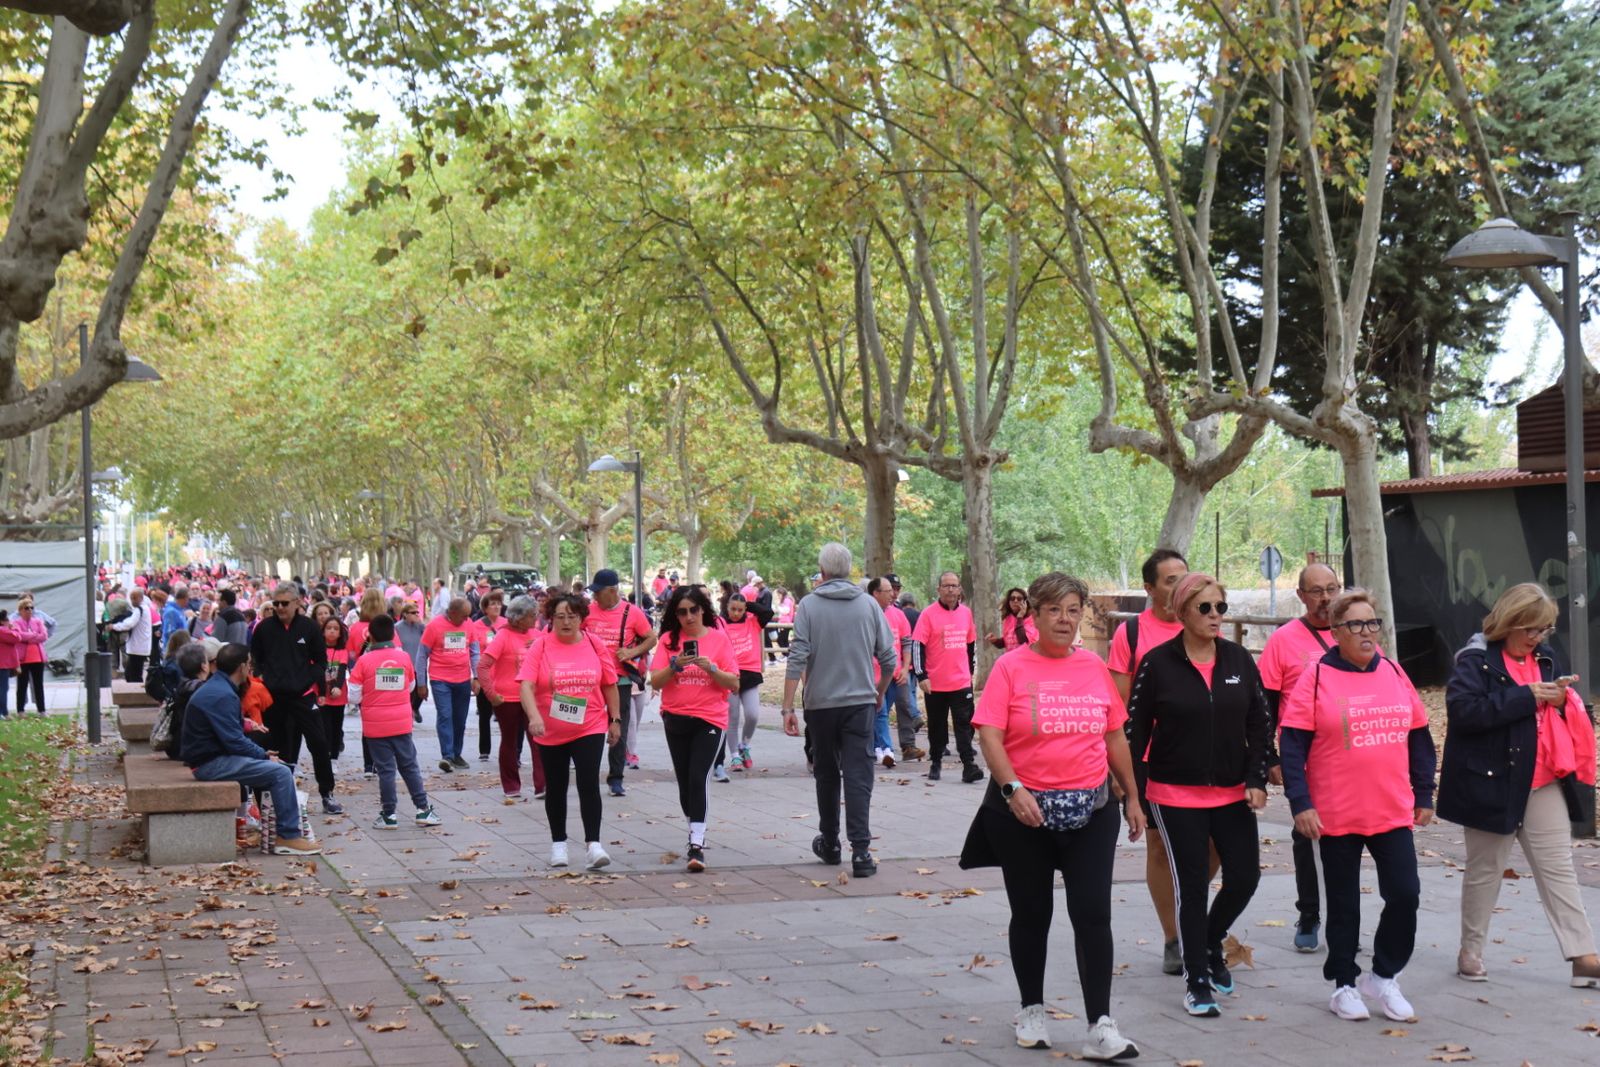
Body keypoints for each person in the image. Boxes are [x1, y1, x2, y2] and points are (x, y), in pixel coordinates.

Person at [960, 572, 1143, 1059]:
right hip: (1023, 815)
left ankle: (1101, 1025)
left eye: (1073, 609)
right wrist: (1012, 788)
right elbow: (990, 734)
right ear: (1035, 615)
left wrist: (1131, 795)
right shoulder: (1011, 668)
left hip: (1092, 809)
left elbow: (1113, 737)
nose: (1065, 619)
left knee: (1092, 913)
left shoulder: (1093, 668)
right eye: (1054, 610)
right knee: (1032, 912)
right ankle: (1031, 1009)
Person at [1279, 588, 1435, 1023]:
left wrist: (1424, 793)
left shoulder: (1394, 672)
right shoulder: (1315, 678)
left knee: (1406, 894)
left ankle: (1383, 976)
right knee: (1344, 905)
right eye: (1356, 625)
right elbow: (1292, 746)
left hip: (1390, 810)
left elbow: (1419, 737)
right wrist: (1300, 803)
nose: (1367, 632)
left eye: (1372, 623)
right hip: (1335, 814)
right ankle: (1344, 984)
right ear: (1336, 631)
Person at [1439, 581, 1600, 987]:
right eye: (1530, 629)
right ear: (1509, 622)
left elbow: (1557, 705)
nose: (1537, 638)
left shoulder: (1545, 656)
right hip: (1491, 781)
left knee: (1558, 867)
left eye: (1544, 630)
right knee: (1485, 869)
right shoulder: (1474, 659)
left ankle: (1582, 954)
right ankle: (1470, 951)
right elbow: (1464, 713)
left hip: (1543, 778)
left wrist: (1563, 700)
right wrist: (1525, 697)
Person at [1128, 571, 1270, 1018]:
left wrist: (1256, 779)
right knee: (1191, 887)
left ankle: (1209, 939)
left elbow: (1259, 724)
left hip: (1231, 794)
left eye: (1221, 608)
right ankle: (1197, 982)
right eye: (1205, 608)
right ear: (1182, 612)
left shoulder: (1239, 661)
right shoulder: (1157, 663)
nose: (1215, 616)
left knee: (1245, 877)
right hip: (1173, 795)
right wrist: (1132, 793)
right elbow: (1133, 733)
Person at [1109, 547, 1198, 976]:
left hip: (1206, 756)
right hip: (1150, 756)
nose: (1179, 585)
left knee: (1220, 846)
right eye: (1169, 580)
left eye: (1184, 576)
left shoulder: (1205, 621)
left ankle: (1195, 913)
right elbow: (1116, 708)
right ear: (1149, 588)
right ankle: (1174, 938)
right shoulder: (1130, 635)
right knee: (1160, 846)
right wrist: (1117, 770)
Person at [782, 543, 896, 877]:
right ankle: (861, 852)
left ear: (823, 570)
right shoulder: (868, 606)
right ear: (849, 570)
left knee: (827, 773)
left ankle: (830, 842)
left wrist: (789, 706)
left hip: (821, 704)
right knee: (860, 775)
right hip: (860, 702)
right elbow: (888, 659)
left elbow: (797, 656)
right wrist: (880, 692)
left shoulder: (809, 607)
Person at [1258, 561, 1342, 953]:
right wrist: (1269, 756)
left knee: (1348, 840)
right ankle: (1309, 914)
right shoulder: (1284, 640)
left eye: (1332, 589)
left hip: (1349, 760)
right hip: (1303, 757)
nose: (1326, 598)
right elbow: (1266, 705)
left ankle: (1345, 917)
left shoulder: (1356, 633)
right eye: (1316, 591)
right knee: (1306, 836)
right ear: (1301, 596)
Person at [181, 642, 322, 855]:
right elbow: (234, 741)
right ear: (242, 667)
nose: (250, 667)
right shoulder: (223, 694)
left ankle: (275, 831)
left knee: (275, 769)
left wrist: (254, 740)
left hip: (209, 758)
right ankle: (288, 836)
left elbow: (228, 728)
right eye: (249, 663)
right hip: (209, 764)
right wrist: (264, 755)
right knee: (281, 773)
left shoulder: (218, 688)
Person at [519, 591, 620, 870]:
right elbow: (525, 685)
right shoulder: (540, 646)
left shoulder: (594, 643)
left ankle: (594, 845)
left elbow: (609, 683)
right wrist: (534, 716)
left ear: (582, 618)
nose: (566, 622)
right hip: (550, 729)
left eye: (572, 617)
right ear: (550, 619)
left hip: (589, 724)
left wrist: (615, 720)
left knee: (589, 782)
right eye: (559, 617)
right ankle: (559, 845)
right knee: (557, 787)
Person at [649, 585, 739, 872]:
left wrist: (711, 668)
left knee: (698, 777)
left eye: (693, 610)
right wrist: (675, 666)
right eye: (682, 612)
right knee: (685, 783)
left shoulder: (719, 640)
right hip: (676, 718)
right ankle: (694, 827)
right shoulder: (667, 640)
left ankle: (696, 844)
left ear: (703, 610)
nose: (688, 617)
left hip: (710, 719)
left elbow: (734, 683)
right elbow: (655, 682)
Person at [250, 582, 342, 815]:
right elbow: (256, 658)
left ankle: (327, 794)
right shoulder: (264, 629)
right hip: (274, 698)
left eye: (284, 603)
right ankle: (274, 798)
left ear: (297, 603)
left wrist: (307, 679)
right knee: (277, 748)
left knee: (319, 744)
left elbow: (320, 661)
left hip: (303, 696)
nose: (280, 608)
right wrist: (263, 677)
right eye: (276, 603)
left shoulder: (309, 628)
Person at [347, 613, 441, 829]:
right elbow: (409, 687)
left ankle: (389, 814)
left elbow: (353, 696)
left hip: (375, 726)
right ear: (394, 633)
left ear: (369, 635)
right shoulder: (404, 658)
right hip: (401, 723)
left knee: (386, 770)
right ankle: (423, 810)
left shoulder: (364, 661)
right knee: (409, 766)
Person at [582, 569, 657, 797]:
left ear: (613, 591)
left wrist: (633, 651)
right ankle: (586, 771)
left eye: (599, 592)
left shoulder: (632, 612)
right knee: (585, 724)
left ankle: (616, 777)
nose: (595, 597)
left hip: (620, 678)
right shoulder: (587, 611)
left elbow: (651, 638)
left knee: (619, 726)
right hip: (590, 677)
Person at [911, 571, 981, 783]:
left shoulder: (966, 614)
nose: (951, 589)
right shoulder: (928, 614)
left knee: (964, 724)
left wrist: (969, 671)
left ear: (960, 589)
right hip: (936, 683)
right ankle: (936, 761)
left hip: (961, 681)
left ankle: (969, 765)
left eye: (954, 585)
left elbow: (970, 644)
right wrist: (921, 675)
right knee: (937, 725)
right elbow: (917, 645)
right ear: (939, 589)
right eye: (946, 586)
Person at [478, 595, 547, 800]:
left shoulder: (536, 634)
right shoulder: (503, 636)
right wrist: (491, 694)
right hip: (506, 699)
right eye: (531, 616)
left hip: (533, 698)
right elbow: (482, 666)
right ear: (518, 617)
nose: (535, 619)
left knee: (538, 740)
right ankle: (511, 786)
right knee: (509, 742)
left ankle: (542, 785)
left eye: (536, 615)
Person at [421, 597, 480, 773]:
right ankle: (447, 755)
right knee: (445, 715)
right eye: (463, 616)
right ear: (452, 613)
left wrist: (476, 677)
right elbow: (422, 655)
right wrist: (421, 683)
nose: (466, 619)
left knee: (460, 719)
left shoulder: (469, 625)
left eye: (468, 616)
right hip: (440, 679)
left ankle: (456, 754)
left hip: (462, 678)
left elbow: (475, 652)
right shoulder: (434, 626)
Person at [715, 592, 770, 778]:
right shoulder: (721, 623)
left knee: (753, 715)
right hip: (730, 673)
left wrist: (749, 605)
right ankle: (734, 756)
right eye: (733, 609)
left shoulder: (753, 622)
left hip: (750, 673)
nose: (736, 613)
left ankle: (744, 744)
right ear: (727, 608)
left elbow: (768, 612)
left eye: (740, 609)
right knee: (733, 717)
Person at [868, 576, 917, 765]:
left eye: (894, 590)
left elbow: (906, 642)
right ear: (876, 593)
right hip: (873, 675)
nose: (893, 594)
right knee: (879, 712)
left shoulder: (898, 614)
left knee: (882, 713)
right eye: (888, 590)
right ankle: (884, 749)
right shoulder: (866, 614)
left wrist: (906, 668)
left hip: (895, 674)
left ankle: (879, 748)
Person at [472, 590, 508, 762]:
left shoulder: (507, 624)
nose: (496, 606)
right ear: (485, 608)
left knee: (506, 718)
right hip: (485, 676)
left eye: (498, 603)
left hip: (504, 676)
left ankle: (511, 750)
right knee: (485, 715)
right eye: (492, 604)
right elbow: (473, 653)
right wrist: (475, 677)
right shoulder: (476, 626)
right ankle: (484, 750)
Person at [317, 617, 351, 762]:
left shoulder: (343, 651)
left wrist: (337, 687)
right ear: (323, 631)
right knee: (324, 728)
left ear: (340, 633)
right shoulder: (318, 649)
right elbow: (317, 671)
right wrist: (322, 692)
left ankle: (334, 758)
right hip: (322, 695)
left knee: (337, 728)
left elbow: (342, 670)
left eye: (335, 629)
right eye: (329, 628)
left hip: (338, 696)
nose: (332, 631)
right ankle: (325, 755)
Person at [11, 598, 50, 716]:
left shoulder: (38, 621)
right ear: (21, 610)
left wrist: (29, 637)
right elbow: (19, 636)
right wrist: (34, 635)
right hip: (23, 659)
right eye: (26, 608)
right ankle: (20, 710)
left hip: (37, 657)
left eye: (31, 608)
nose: (29, 610)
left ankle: (41, 710)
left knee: (38, 684)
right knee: (22, 685)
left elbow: (44, 636)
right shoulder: (16, 622)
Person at [111, 588, 153, 682]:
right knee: (132, 673)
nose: (133, 600)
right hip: (139, 646)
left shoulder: (140, 610)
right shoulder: (144, 609)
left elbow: (129, 624)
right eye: (131, 598)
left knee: (134, 674)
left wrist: (114, 626)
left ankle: (136, 693)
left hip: (138, 647)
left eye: (135, 598)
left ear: (141, 598)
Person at [986, 587, 1039, 651]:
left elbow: (1023, 641)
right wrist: (995, 641)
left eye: (1019, 599)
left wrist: (1020, 617)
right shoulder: (1008, 619)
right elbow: (1008, 642)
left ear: (1025, 602)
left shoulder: (1032, 619)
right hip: (1011, 658)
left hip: (1026, 658)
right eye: (1012, 598)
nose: (1015, 601)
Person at [0, 610, 19, 717]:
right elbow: (17, 637)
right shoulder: (3, 631)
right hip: (2, 664)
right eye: (7, 620)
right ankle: (4, 712)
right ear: (3, 621)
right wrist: (13, 628)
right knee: (3, 688)